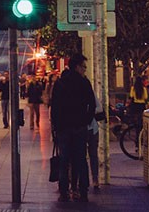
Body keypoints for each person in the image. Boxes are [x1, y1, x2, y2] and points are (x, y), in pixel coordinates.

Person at [49, 53, 96, 202]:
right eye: (83, 67)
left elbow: (54, 106)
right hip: (79, 127)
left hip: (63, 127)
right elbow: (92, 104)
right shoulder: (84, 83)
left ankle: (64, 192)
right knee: (80, 160)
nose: (85, 70)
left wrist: (55, 126)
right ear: (77, 67)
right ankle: (82, 191)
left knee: (64, 160)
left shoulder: (60, 83)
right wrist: (86, 120)